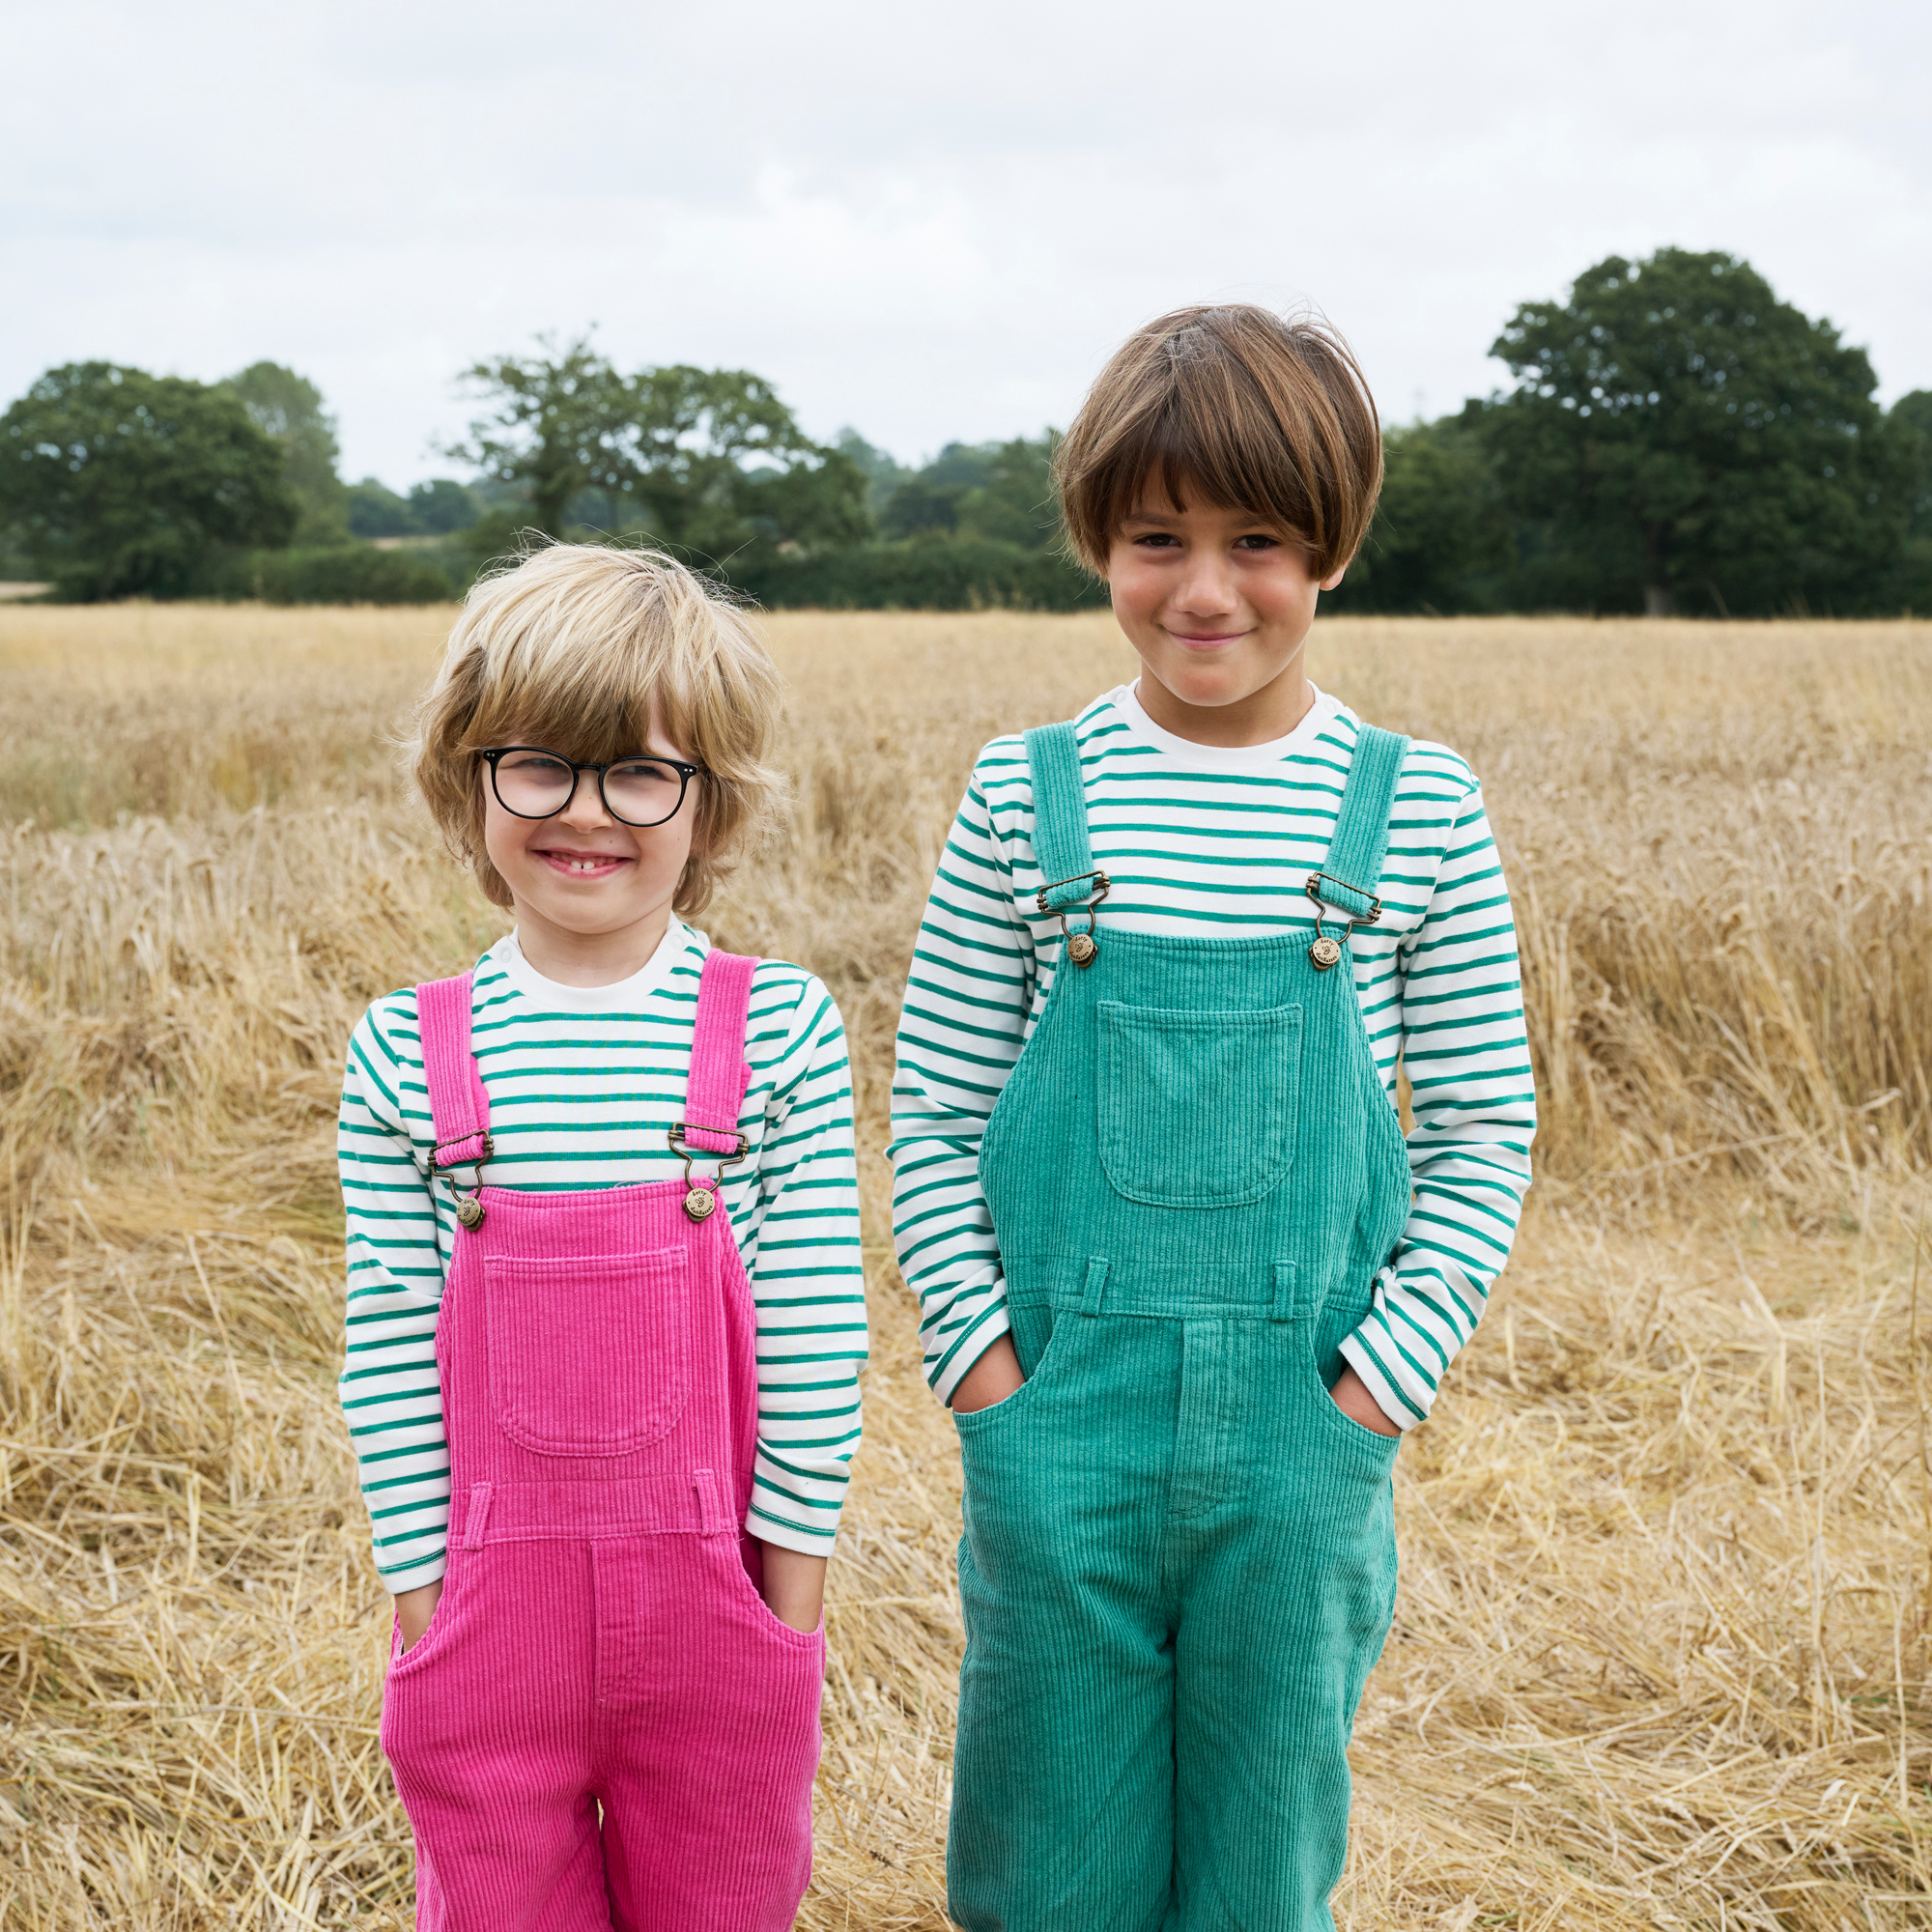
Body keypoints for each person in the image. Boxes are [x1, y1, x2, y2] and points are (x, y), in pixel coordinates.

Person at [889, 304, 1536, 1930]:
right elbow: (936, 1113)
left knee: (1261, 1873)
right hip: (1061, 1430)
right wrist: (987, 1378)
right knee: (1047, 1872)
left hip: (1302, 1438)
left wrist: (1373, 1396)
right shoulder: (1024, 792)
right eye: (1155, 536)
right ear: (1099, 540)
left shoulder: (1419, 802)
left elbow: (1478, 1130)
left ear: (1331, 549)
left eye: (1257, 539)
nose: (1202, 588)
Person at [335, 543, 865, 1931]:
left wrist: (784, 1615)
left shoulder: (778, 1034)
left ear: (710, 800)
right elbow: (388, 1347)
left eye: (640, 772)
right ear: (471, 778)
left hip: (720, 1617)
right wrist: (425, 1610)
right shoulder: (405, 1052)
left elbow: (815, 1334)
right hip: (484, 1632)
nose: (587, 814)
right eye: (539, 767)